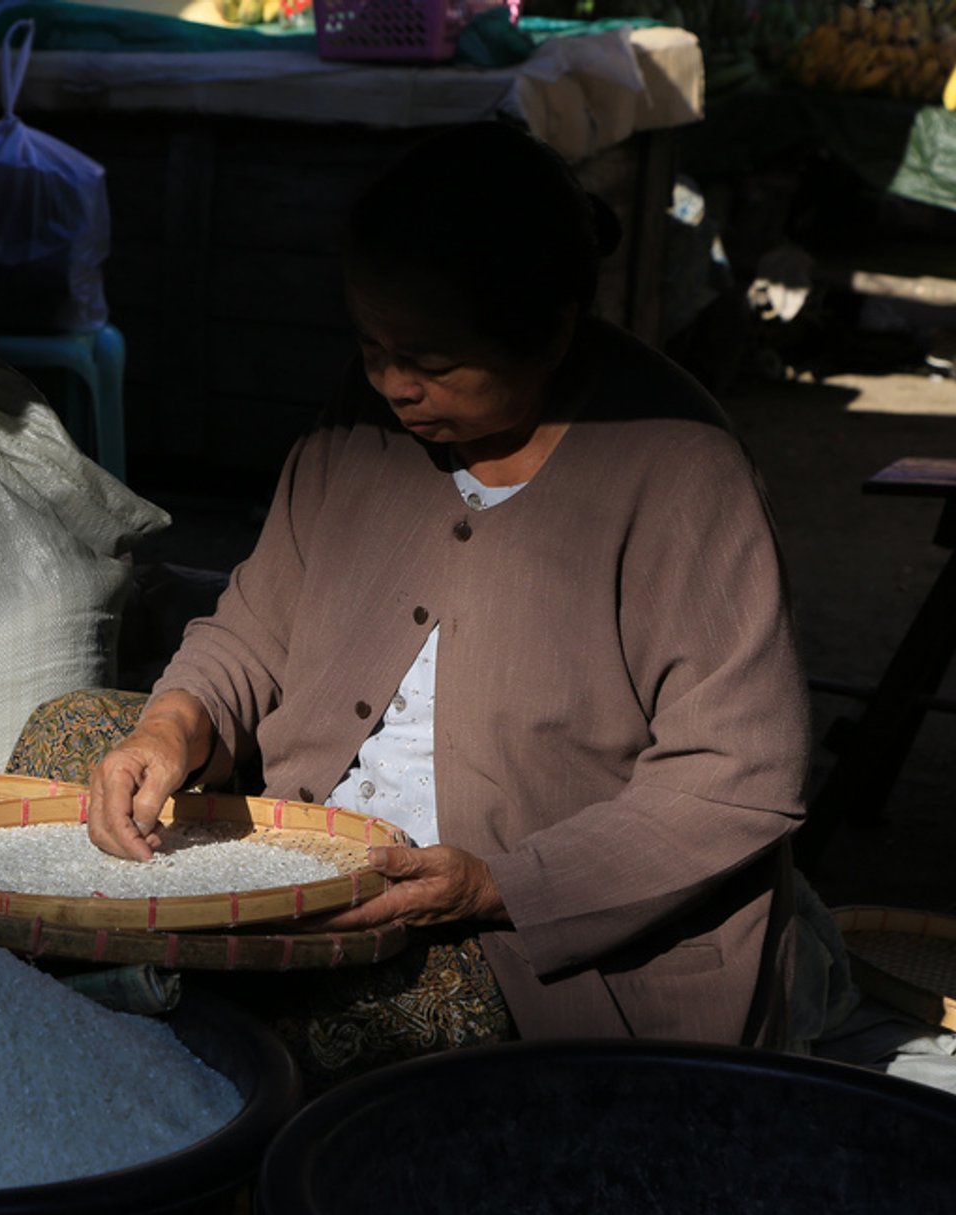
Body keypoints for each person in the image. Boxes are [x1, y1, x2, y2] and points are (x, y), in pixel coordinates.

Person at [84, 120, 811, 1048]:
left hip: (521, 934)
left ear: (550, 333)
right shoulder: (363, 417)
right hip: (318, 839)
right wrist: (173, 724)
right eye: (370, 345)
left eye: (429, 362)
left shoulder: (681, 472)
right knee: (74, 744)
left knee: (298, 1033)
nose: (390, 382)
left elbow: (737, 776)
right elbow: (258, 624)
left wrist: (498, 884)